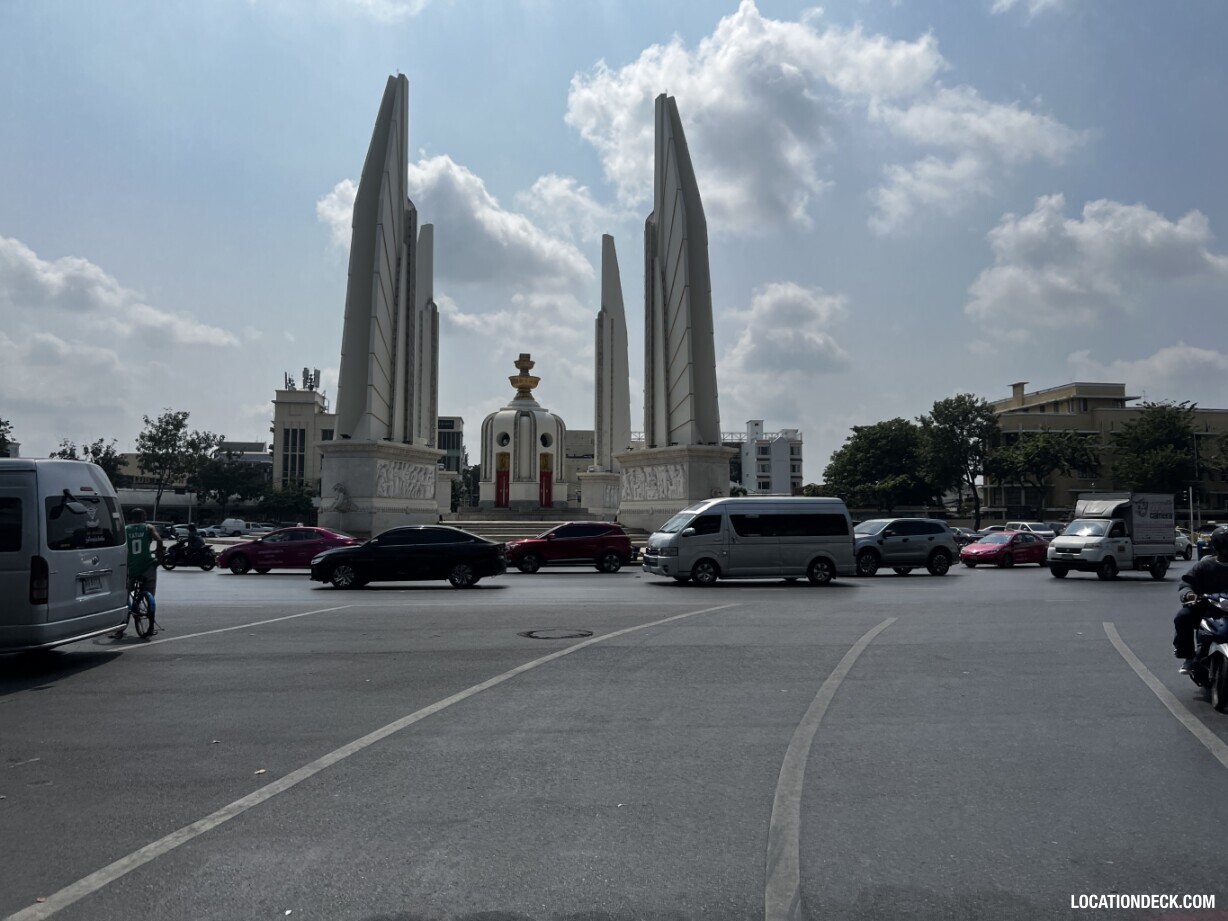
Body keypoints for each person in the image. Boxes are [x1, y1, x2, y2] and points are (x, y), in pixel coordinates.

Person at [1174, 526, 1228, 673]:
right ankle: (1188, 657)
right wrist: (1189, 595)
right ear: (1217, 547)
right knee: (1182, 617)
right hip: (1206, 607)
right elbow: (1186, 583)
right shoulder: (1204, 565)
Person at [113, 509, 164, 638]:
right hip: (147, 566)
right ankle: (150, 626)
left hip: (131, 567)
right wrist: (159, 558)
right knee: (150, 594)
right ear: (143, 516)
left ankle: (120, 630)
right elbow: (159, 540)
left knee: (124, 597)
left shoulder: (125, 529)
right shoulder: (148, 527)